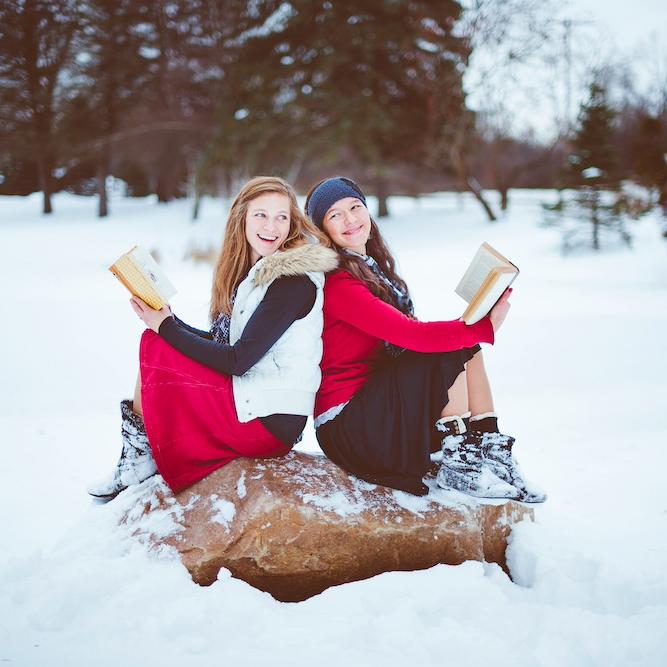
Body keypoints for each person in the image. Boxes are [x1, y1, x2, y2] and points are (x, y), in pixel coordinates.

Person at [88, 176, 338, 500]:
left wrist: (166, 327)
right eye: (261, 214)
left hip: (269, 420)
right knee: (159, 340)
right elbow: (227, 347)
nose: (271, 226)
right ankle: (140, 453)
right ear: (242, 218)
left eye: (281, 217)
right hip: (256, 400)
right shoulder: (258, 275)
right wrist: (168, 321)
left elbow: (238, 360)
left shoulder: (291, 281)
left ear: (291, 225)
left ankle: (140, 456)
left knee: (157, 344)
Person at [305, 176, 545, 502]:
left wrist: (472, 326)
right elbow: (409, 335)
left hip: (377, 405)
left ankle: (491, 453)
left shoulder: (373, 270)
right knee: (446, 347)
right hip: (349, 423)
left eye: (355, 207)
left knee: (462, 346)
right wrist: (481, 327)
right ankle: (458, 460)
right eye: (335, 215)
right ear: (323, 230)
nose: (349, 220)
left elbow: (411, 335)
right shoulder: (338, 282)